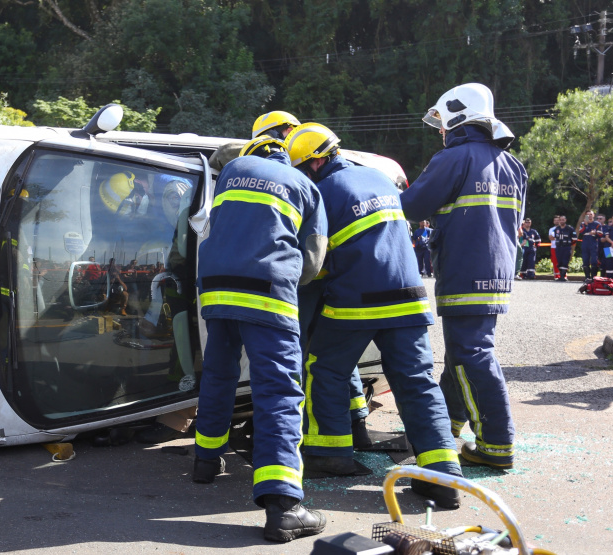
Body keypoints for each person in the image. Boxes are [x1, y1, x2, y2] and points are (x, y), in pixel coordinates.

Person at [286, 123, 463, 509]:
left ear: (314, 163)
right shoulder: (380, 178)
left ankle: (329, 454)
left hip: (357, 301)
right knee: (417, 381)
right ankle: (443, 476)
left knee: (324, 368)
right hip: (409, 297)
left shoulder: (321, 192)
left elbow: (315, 260)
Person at [194, 135, 328, 542]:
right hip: (268, 293)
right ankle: (284, 507)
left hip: (215, 290)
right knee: (278, 392)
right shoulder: (305, 185)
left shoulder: (232, 171)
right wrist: (286, 277)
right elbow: (313, 260)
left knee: (218, 376)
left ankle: (205, 463)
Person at [401, 83, 526, 470]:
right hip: (496, 271)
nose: (441, 131)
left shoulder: (453, 157)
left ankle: (496, 442)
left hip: (464, 268)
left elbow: (412, 206)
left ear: (458, 117)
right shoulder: (513, 165)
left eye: (443, 123)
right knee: (462, 353)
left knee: (470, 353)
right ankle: (445, 426)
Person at [578, 210, 603, 279]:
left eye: (591, 214)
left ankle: (593, 277)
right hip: (585, 244)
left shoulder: (597, 224)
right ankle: (587, 277)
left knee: (594, 261)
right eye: (588, 214)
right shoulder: (583, 224)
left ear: (593, 215)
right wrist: (586, 225)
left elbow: (601, 234)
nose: (589, 216)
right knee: (585, 260)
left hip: (593, 244)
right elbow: (581, 232)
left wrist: (595, 233)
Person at [554, 215, 576, 281]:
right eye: (560, 220)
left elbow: (574, 239)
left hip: (566, 247)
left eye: (563, 220)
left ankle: (563, 276)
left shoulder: (570, 228)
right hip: (558, 248)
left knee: (565, 261)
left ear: (565, 220)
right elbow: (555, 237)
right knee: (559, 262)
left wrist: (569, 244)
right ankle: (561, 276)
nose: (561, 221)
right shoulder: (557, 229)